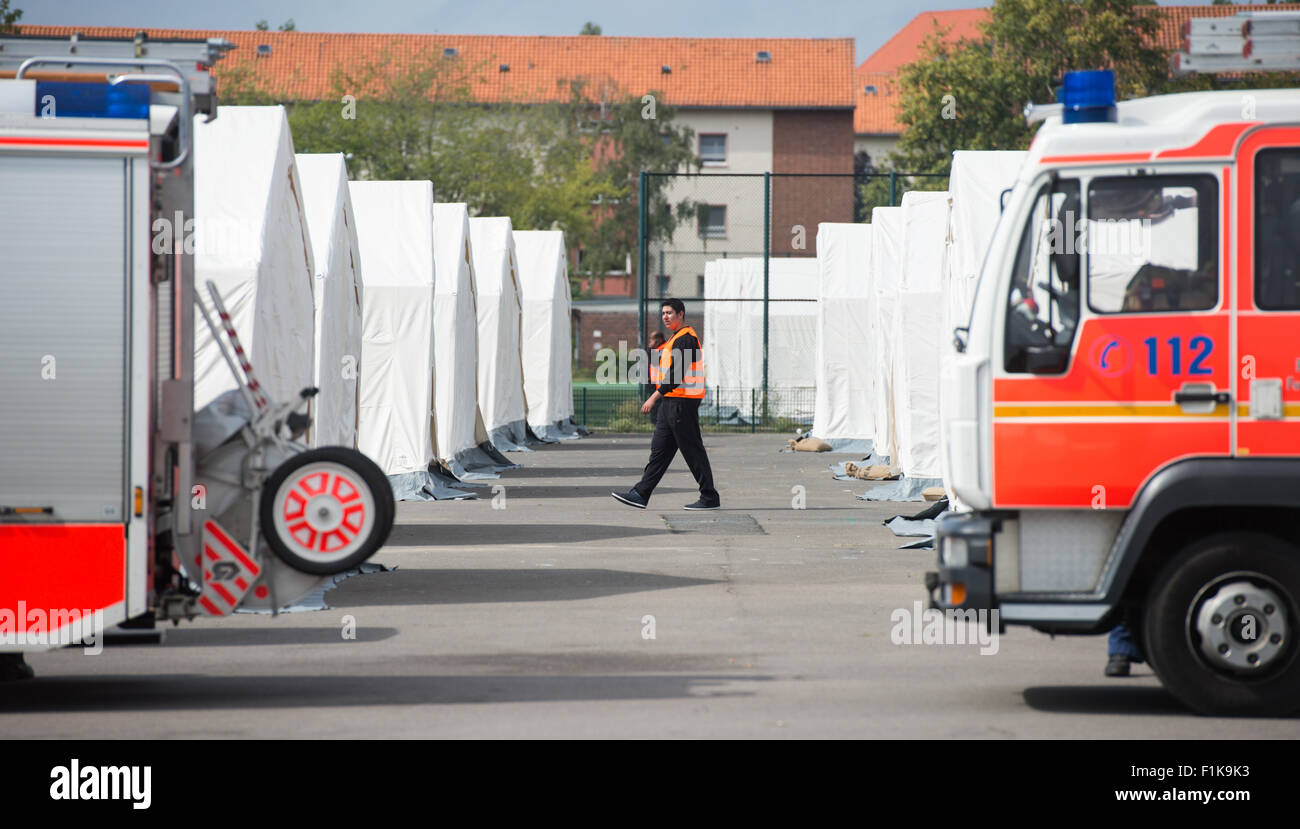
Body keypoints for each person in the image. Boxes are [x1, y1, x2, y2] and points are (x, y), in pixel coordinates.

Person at [612, 299, 720, 510]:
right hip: (671, 403)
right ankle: (640, 494)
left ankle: (709, 496)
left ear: (681, 314)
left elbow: (676, 374)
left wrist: (654, 397)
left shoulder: (686, 339)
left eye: (670, 313)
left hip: (682, 402)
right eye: (663, 313)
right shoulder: (674, 339)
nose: (665, 317)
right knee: (659, 452)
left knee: (693, 451)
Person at [645, 330, 665, 425]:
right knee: (654, 406)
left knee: (659, 405)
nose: (650, 342)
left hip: (662, 384)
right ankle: (655, 423)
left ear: (659, 340)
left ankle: (658, 423)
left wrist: (651, 348)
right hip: (654, 383)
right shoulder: (655, 350)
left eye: (652, 340)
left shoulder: (664, 349)